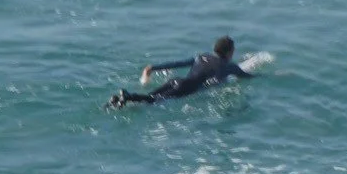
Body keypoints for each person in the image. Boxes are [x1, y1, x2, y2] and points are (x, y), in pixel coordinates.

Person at [107, 36, 252, 107]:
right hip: (186, 87)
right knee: (152, 101)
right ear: (229, 52)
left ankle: (122, 98)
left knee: (150, 97)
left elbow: (178, 64)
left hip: (176, 81)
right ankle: (127, 97)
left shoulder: (202, 57)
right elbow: (247, 77)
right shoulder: (229, 66)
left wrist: (153, 68)